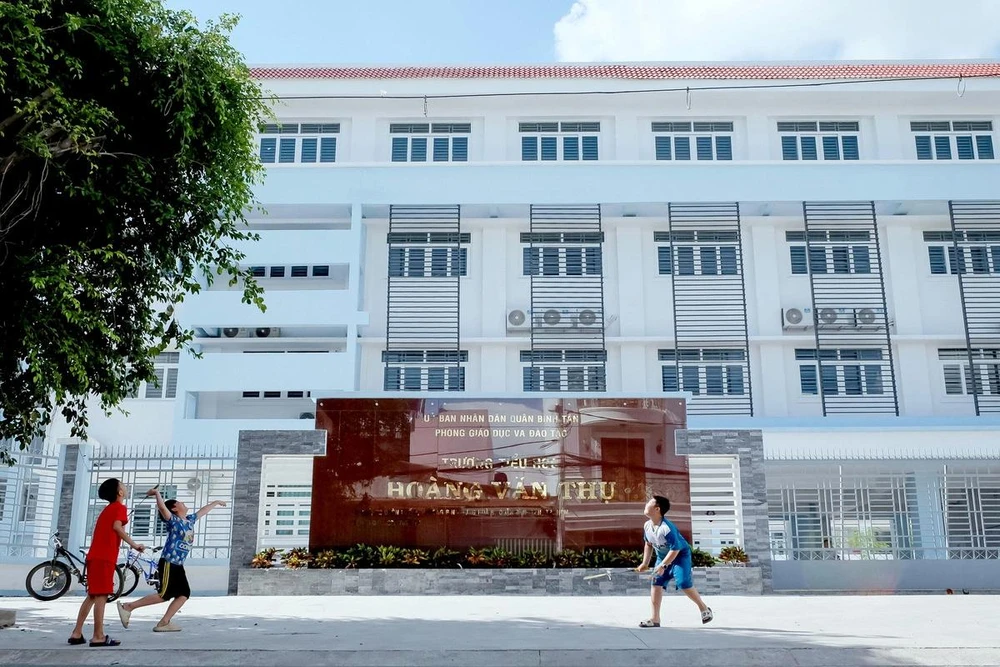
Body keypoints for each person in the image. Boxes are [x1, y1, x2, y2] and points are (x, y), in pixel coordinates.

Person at [116, 487, 227, 632]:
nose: (183, 503)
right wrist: (157, 494)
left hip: (178, 565)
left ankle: (164, 622)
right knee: (164, 594)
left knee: (184, 594)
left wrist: (216, 502)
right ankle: (128, 607)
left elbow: (203, 511)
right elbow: (162, 508)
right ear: (174, 508)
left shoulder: (189, 520)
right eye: (180, 502)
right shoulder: (173, 521)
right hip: (169, 563)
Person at [68, 478, 145, 647]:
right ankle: (98, 636)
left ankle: (77, 633)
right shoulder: (119, 507)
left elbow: (114, 527)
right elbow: (117, 527)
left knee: (92, 596)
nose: (125, 486)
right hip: (104, 558)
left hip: (94, 557)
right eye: (123, 485)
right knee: (101, 596)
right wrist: (135, 544)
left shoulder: (108, 509)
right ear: (120, 492)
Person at [635, 495, 712, 627]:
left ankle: (704, 608)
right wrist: (645, 563)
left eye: (649, 502)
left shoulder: (666, 528)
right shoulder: (647, 525)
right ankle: (655, 619)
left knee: (683, 583)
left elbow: (675, 549)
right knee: (656, 583)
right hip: (663, 557)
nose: (646, 504)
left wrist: (663, 565)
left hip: (680, 556)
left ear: (657, 509)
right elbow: (648, 544)